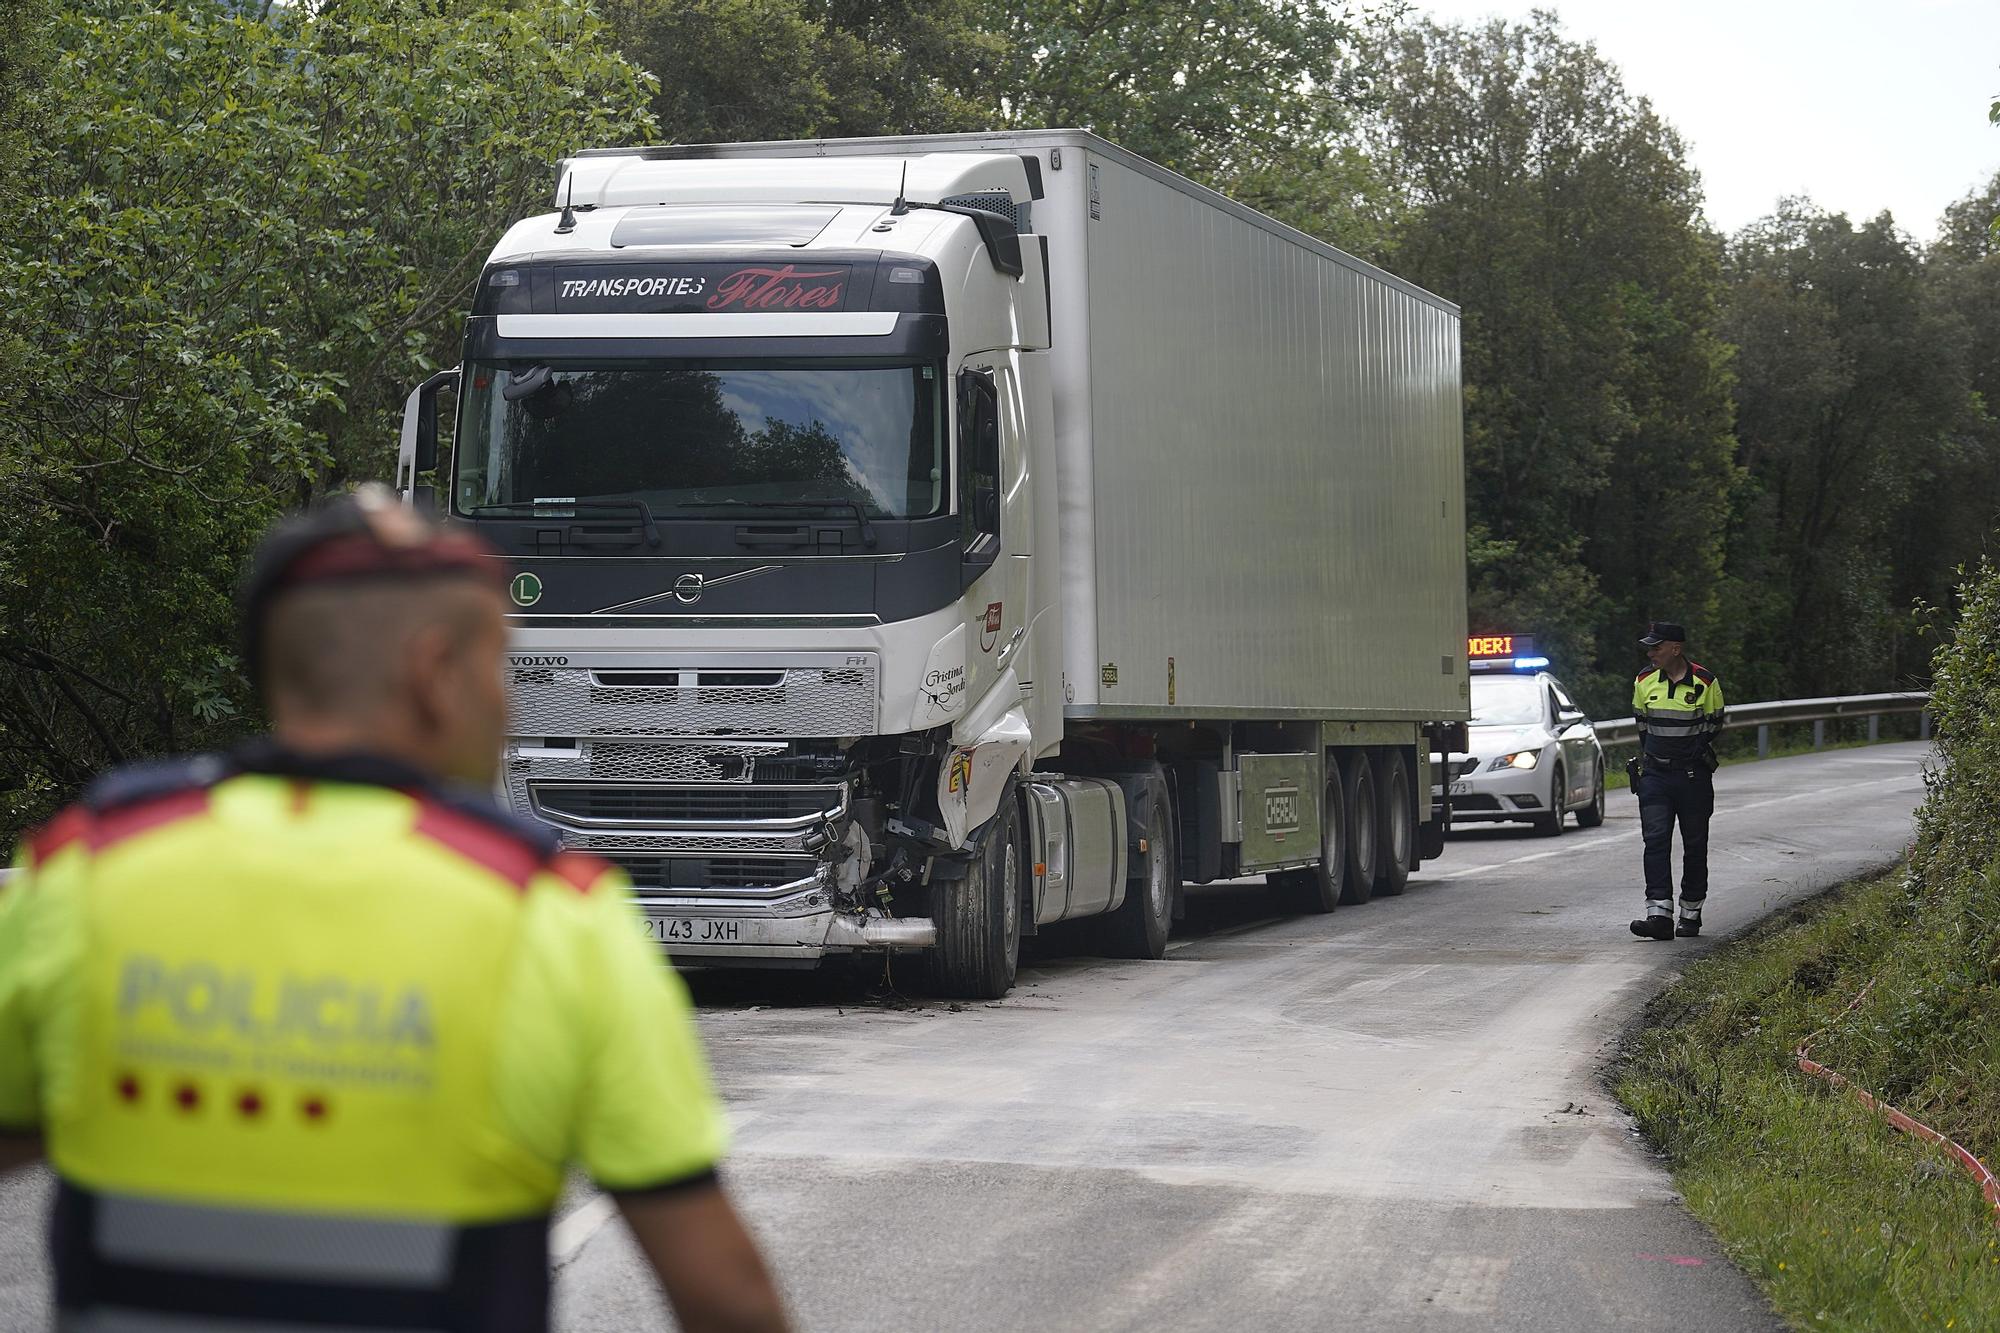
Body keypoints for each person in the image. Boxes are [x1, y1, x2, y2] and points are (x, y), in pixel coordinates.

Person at [0, 485, 790, 1333]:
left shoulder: (82, 873)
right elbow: (724, 1297)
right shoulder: (550, 914)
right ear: (434, 671)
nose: (509, 704)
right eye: (500, 665)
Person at [1626, 620, 1726, 942]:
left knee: (1694, 845)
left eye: (1657, 647)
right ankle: (1658, 915)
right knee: (1655, 842)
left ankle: (1690, 914)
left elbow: (1714, 724)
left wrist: (1688, 754)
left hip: (1692, 776)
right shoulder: (1643, 681)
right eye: (1650, 647)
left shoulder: (1706, 682)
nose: (1651, 652)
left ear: (1675, 649)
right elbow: (1642, 726)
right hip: (1655, 775)